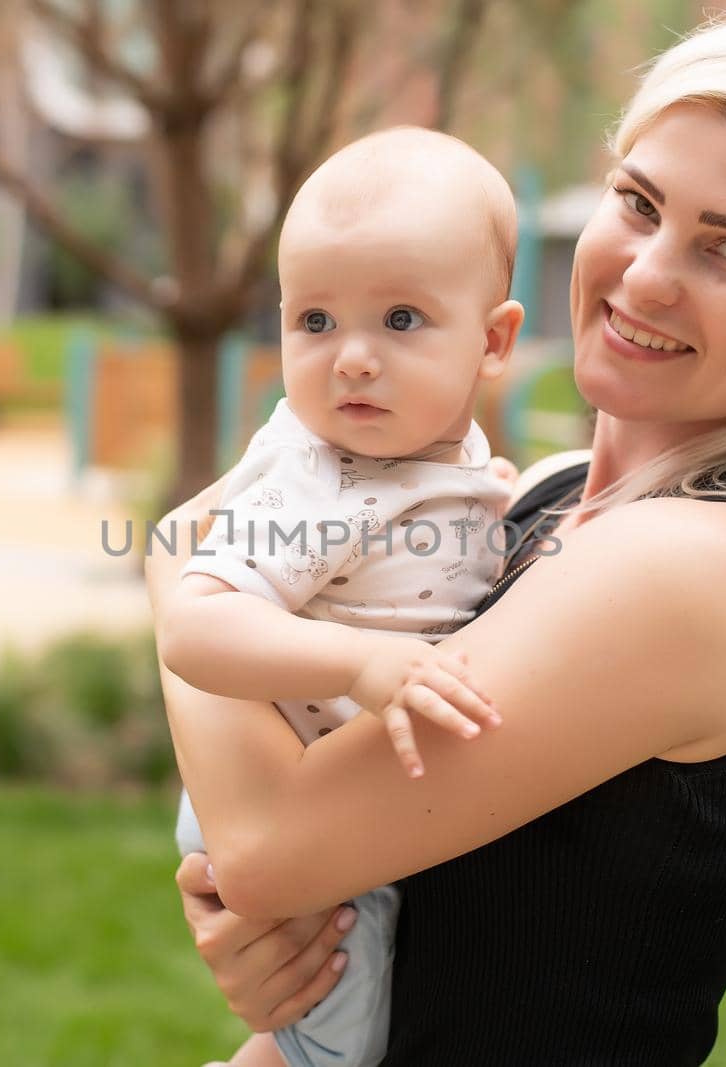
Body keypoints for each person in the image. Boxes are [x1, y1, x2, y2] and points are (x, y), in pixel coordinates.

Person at [148, 10, 726, 1064]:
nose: (647, 275)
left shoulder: (700, 564)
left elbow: (268, 842)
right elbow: (353, 891)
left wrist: (183, 558)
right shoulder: (538, 494)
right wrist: (289, 960)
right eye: (638, 202)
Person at [158, 127, 526, 1067]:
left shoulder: (438, 453)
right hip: (289, 782)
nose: (351, 358)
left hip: (338, 785)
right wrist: (361, 663)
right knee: (340, 1036)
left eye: (400, 320)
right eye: (314, 322)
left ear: (492, 342)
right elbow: (197, 624)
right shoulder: (321, 477)